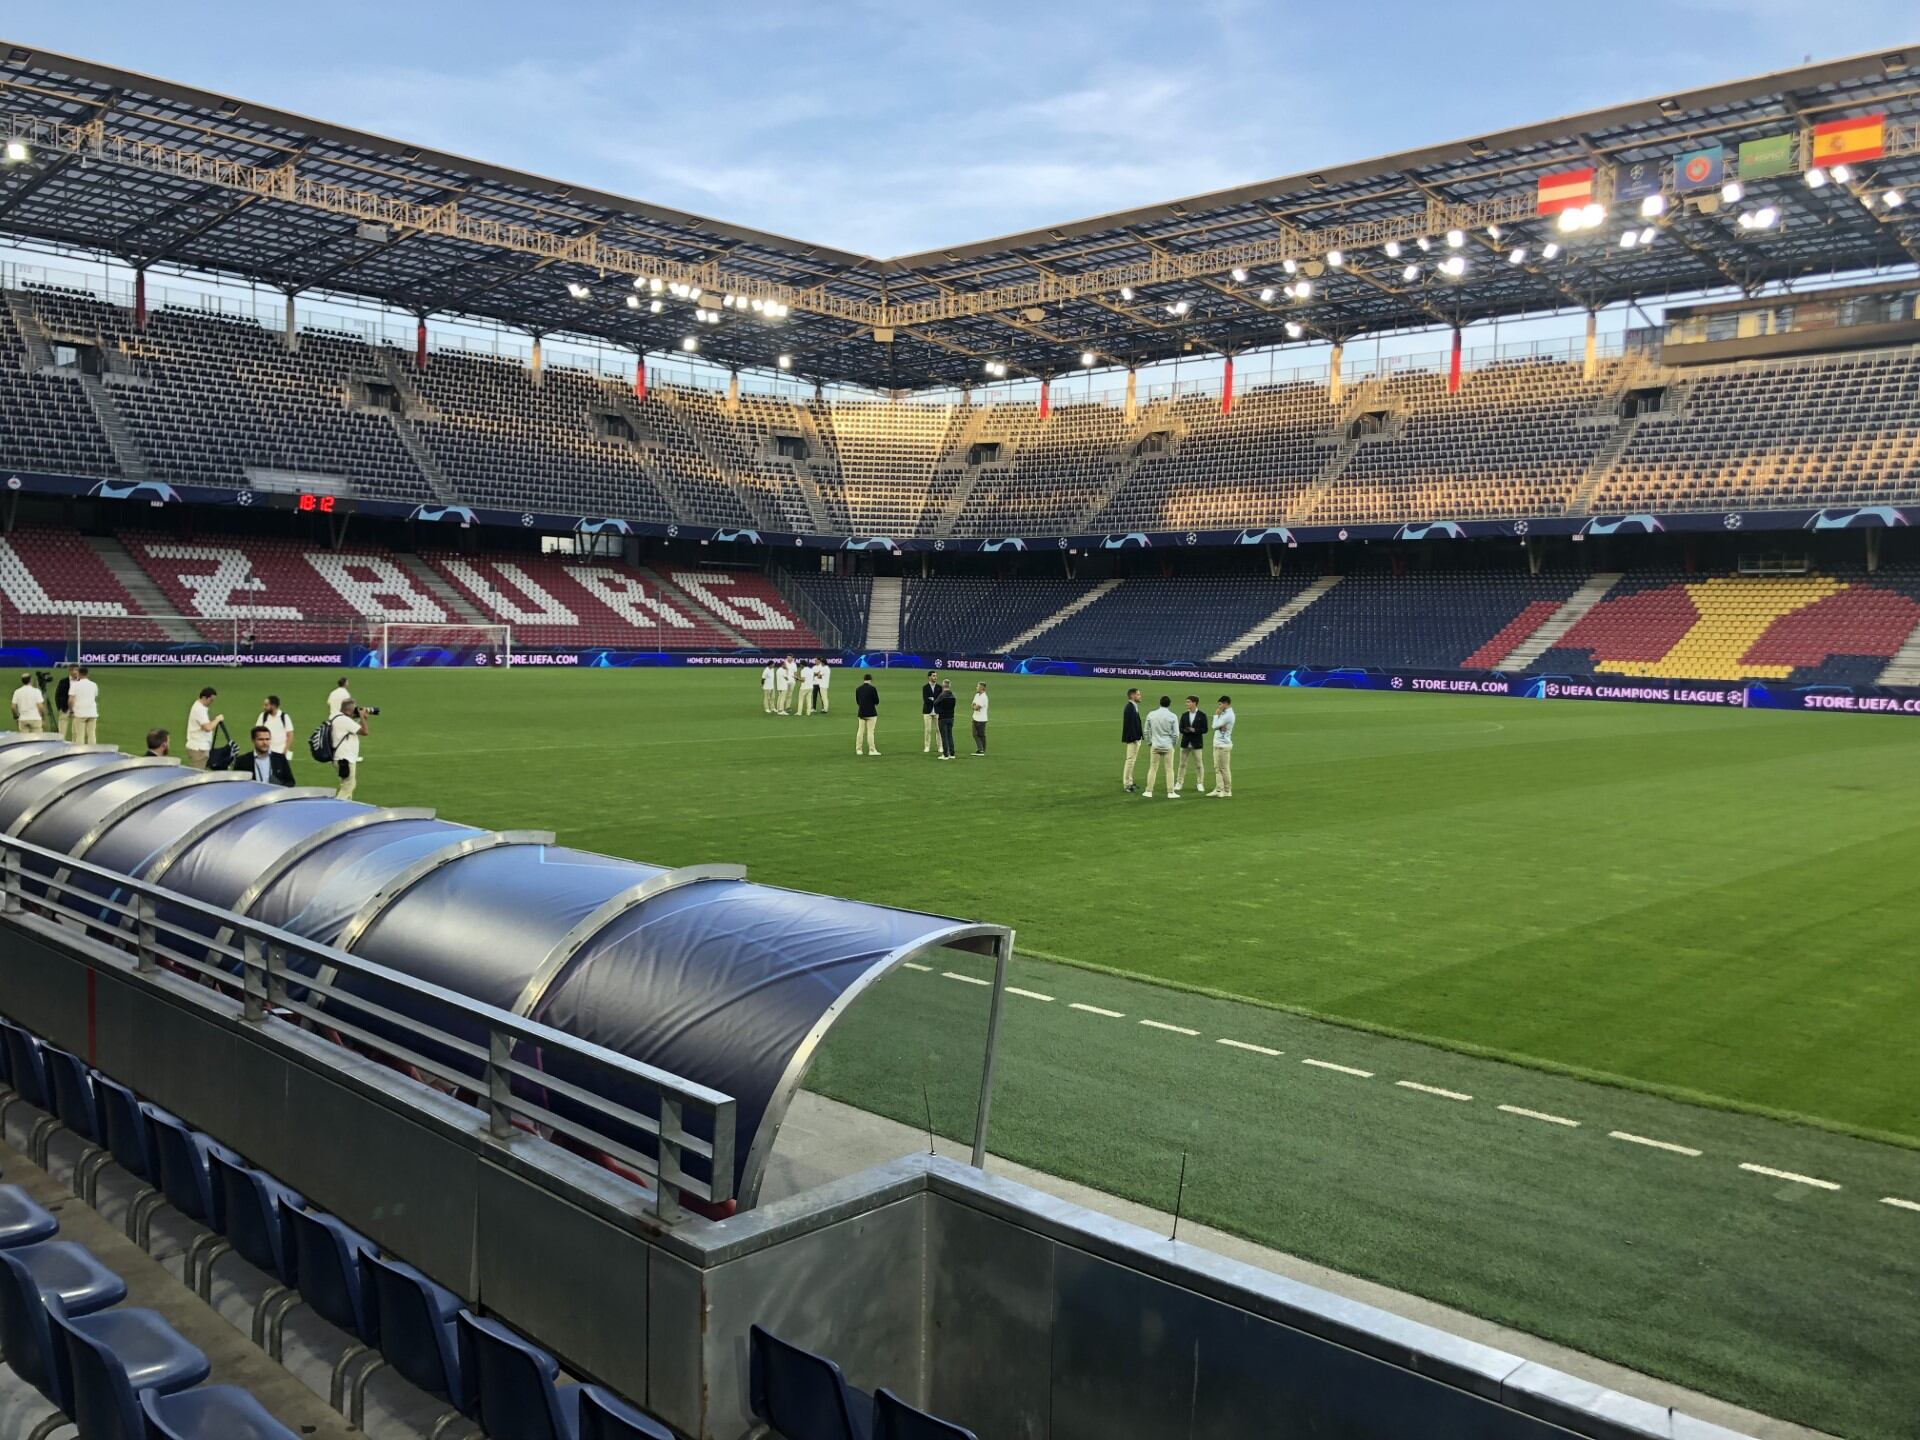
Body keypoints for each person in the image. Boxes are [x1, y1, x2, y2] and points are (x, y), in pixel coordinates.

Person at [328, 699, 368, 800]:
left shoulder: (336, 717)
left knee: (348, 784)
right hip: (345, 759)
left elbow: (350, 729)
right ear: (350, 710)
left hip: (339, 757)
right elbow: (365, 731)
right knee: (348, 787)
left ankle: (344, 806)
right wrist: (362, 717)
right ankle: (337, 808)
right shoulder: (344, 720)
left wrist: (360, 718)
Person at [1141, 695, 1179, 798]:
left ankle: (1149, 791)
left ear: (1160, 703)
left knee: (1153, 768)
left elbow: (1146, 730)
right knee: (1169, 769)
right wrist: (1173, 745)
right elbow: (1176, 734)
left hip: (1155, 744)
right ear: (1169, 704)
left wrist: (1149, 742)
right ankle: (1170, 792)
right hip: (1168, 745)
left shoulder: (1151, 714)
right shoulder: (1172, 716)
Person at [1174, 695, 1209, 797]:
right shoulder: (1184, 715)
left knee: (1198, 764)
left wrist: (1195, 730)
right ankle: (1179, 782)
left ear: (1194, 703)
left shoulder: (1202, 715)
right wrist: (1187, 730)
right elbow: (1180, 729)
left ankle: (1200, 783)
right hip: (1185, 742)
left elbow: (1205, 729)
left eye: (1188, 702)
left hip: (1196, 743)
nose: (1187, 704)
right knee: (1182, 764)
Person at [185, 686, 223, 770]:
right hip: (198, 749)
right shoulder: (199, 709)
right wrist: (217, 719)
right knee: (197, 775)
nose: (212, 702)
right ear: (204, 697)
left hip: (199, 748)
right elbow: (208, 727)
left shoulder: (199, 707)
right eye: (211, 700)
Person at [1209, 694, 1236, 798]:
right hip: (1218, 743)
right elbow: (1218, 727)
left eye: (1220, 704)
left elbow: (1214, 726)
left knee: (1224, 768)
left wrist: (1216, 715)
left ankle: (1227, 790)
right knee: (1217, 768)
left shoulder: (1228, 715)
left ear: (1225, 703)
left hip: (1223, 745)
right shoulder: (1225, 714)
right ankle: (1219, 789)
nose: (1219, 706)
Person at [1119, 688, 1143, 793]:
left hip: (1136, 738)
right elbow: (1129, 726)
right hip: (1133, 739)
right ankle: (1127, 785)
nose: (1140, 696)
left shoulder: (1133, 706)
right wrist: (1134, 738)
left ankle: (1130, 781)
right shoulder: (1129, 708)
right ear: (1132, 696)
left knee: (1132, 761)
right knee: (1130, 761)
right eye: (1138, 694)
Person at [68, 666, 99, 744]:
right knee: (92, 734)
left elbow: (71, 700)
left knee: (80, 735)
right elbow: (94, 697)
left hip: (80, 713)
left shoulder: (75, 685)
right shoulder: (94, 684)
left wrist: (71, 710)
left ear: (78, 673)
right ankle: (92, 751)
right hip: (92, 712)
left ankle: (80, 753)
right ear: (87, 674)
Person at [854, 673, 881, 756]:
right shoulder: (873, 689)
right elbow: (877, 701)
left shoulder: (858, 689)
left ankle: (859, 749)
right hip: (871, 713)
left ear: (864, 679)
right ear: (871, 680)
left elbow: (858, 701)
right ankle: (872, 750)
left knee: (860, 731)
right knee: (870, 732)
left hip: (861, 712)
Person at [933, 681, 958, 759]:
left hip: (943, 718)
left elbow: (935, 703)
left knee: (944, 736)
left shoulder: (942, 695)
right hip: (951, 717)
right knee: (950, 735)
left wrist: (939, 710)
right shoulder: (953, 695)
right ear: (949, 685)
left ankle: (945, 754)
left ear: (943, 686)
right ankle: (952, 753)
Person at [55, 665, 77, 740]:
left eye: (77, 670)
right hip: (65, 708)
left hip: (77, 709)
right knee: (62, 731)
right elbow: (58, 694)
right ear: (70, 671)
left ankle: (76, 747)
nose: (76, 672)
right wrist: (59, 707)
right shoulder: (63, 681)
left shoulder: (81, 682)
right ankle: (60, 745)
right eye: (74, 670)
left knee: (76, 731)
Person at [921, 671, 940, 754]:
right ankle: (927, 746)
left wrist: (932, 699)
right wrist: (935, 700)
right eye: (933, 676)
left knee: (939, 730)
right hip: (927, 712)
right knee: (928, 730)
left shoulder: (939, 687)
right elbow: (926, 699)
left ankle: (940, 746)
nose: (935, 677)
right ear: (929, 677)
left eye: (936, 676)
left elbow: (940, 699)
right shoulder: (925, 687)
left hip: (937, 711)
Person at [970, 683, 989, 756]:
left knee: (981, 735)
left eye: (977, 686)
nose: (976, 687)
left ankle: (981, 750)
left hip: (981, 719)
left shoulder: (984, 697)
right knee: (975, 734)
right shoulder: (977, 695)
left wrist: (975, 706)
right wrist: (974, 706)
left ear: (981, 688)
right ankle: (981, 749)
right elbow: (972, 705)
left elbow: (976, 707)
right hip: (975, 717)